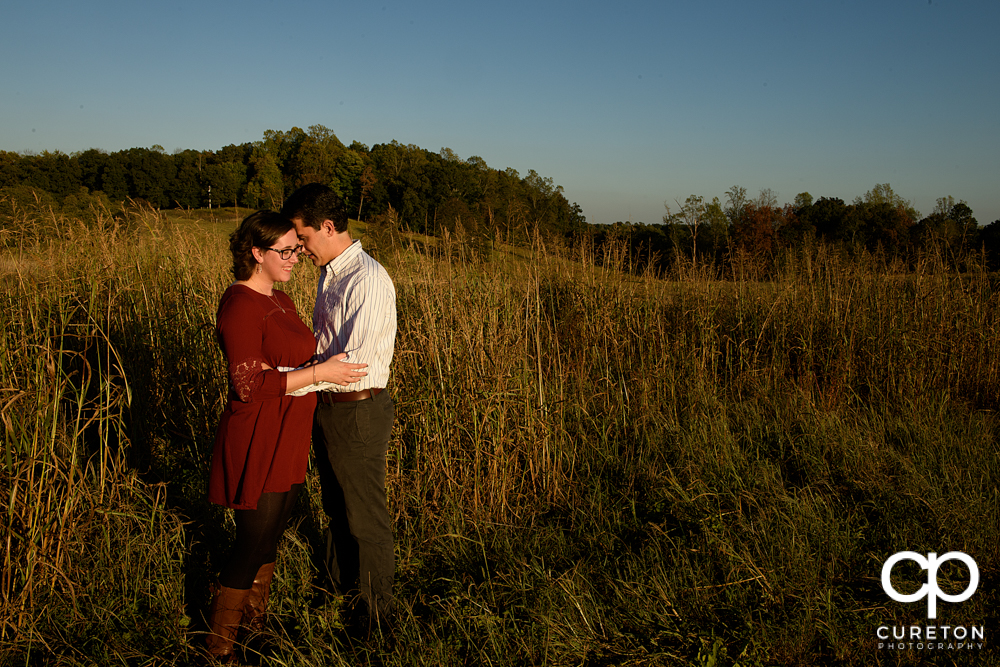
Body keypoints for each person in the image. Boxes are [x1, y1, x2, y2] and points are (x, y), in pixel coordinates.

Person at [205, 210, 368, 661]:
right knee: (252, 540)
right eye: (286, 250)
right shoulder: (240, 303)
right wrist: (317, 372)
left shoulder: (282, 300)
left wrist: (289, 373)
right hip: (259, 432)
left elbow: (278, 368)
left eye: (298, 248)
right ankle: (218, 648)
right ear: (257, 253)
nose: (296, 256)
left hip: (289, 429)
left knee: (271, 536)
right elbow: (248, 385)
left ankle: (255, 628)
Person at [280, 184, 398, 635]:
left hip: (357, 409)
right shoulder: (332, 274)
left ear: (327, 228)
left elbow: (353, 364)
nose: (299, 249)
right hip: (328, 405)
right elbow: (326, 353)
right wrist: (304, 379)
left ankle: (375, 620)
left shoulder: (366, 279)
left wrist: (284, 385)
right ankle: (336, 589)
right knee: (335, 506)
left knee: (364, 516)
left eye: (303, 238)